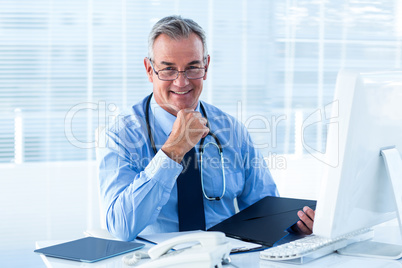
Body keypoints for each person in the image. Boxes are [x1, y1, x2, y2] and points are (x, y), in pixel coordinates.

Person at [98, 15, 314, 241]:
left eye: (192, 68)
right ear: (149, 70)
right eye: (168, 70)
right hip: (158, 260)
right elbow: (121, 228)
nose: (181, 82)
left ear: (206, 66)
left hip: (225, 258)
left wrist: (293, 227)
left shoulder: (233, 131)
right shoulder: (120, 135)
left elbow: (266, 212)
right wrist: (172, 151)